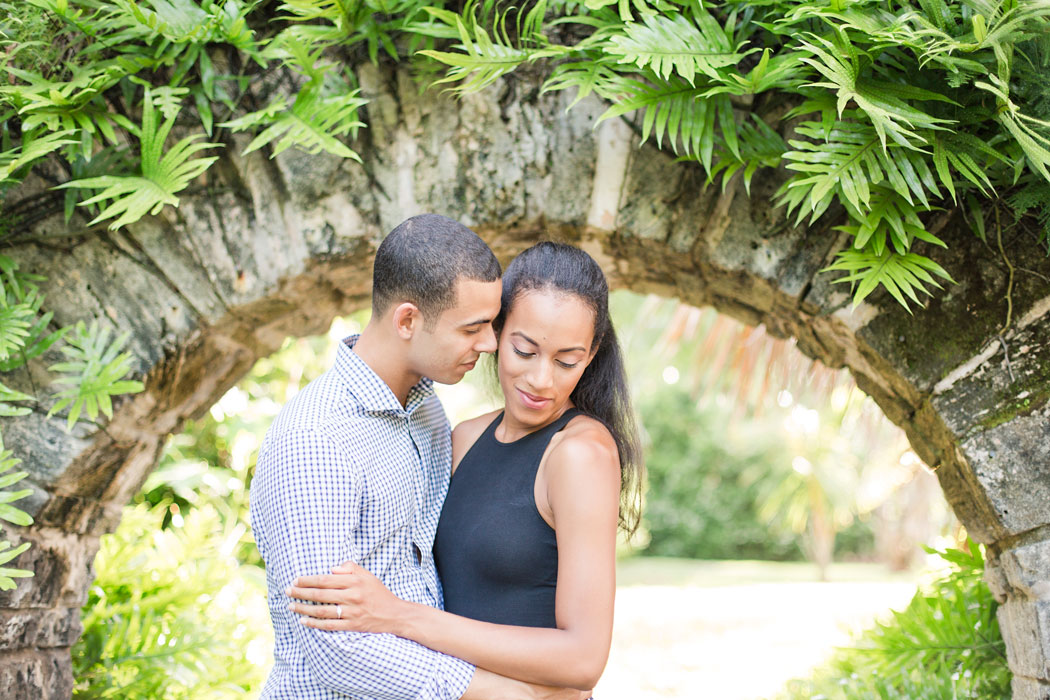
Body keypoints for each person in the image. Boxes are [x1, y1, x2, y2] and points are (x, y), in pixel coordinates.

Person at [250, 216, 586, 700]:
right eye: (473, 328)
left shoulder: (425, 409)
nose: (491, 344)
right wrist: (513, 695)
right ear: (407, 320)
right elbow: (333, 649)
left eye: (492, 325)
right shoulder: (315, 440)